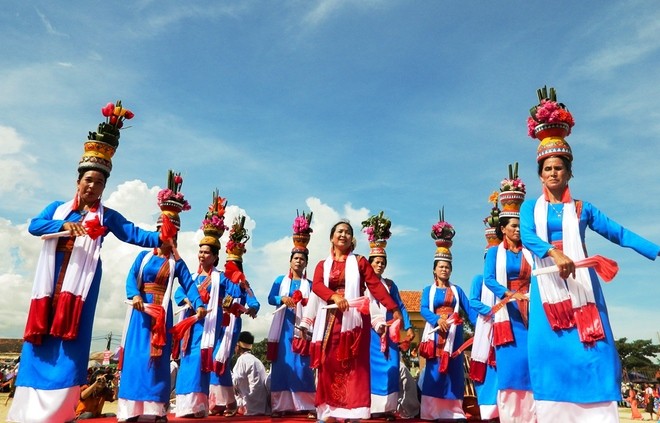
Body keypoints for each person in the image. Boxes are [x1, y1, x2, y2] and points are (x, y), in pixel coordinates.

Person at [7, 102, 165, 423]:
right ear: (78, 180)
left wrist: (163, 237)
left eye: (99, 182)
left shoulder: (106, 216)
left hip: (81, 288)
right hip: (49, 285)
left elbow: (133, 233)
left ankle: (60, 411)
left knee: (71, 343)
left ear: (104, 187)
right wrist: (65, 226)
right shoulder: (58, 208)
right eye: (88, 180)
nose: (92, 186)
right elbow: (36, 226)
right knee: (39, 340)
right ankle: (27, 411)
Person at [520, 87, 660, 422]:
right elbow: (527, 236)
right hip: (547, 289)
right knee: (548, 350)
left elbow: (620, 233)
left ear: (569, 172)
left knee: (594, 347)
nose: (554, 173)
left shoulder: (583, 209)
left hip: (582, 287)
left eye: (560, 168)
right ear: (540, 174)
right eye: (548, 168)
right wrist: (554, 254)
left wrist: (656, 249)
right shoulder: (529, 209)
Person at [116, 171, 207, 422]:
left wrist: (199, 305)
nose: (169, 238)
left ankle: (156, 411)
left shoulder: (177, 262)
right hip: (141, 315)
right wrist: (134, 295)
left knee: (157, 362)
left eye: (173, 235)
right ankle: (130, 411)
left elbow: (190, 286)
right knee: (136, 359)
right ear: (158, 232)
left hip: (162, 316)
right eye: (165, 233)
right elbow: (130, 279)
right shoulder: (143, 257)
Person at [306, 220, 403, 423]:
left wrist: (394, 308)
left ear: (352, 239)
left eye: (348, 232)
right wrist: (334, 297)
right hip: (331, 318)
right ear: (332, 237)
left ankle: (353, 412)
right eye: (340, 231)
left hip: (356, 321)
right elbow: (316, 285)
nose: (343, 235)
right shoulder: (322, 265)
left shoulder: (359, 262)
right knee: (329, 364)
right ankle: (328, 412)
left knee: (355, 366)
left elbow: (375, 286)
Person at [482, 165, 537, 422]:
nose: (517, 230)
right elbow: (489, 279)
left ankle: (533, 415)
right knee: (511, 367)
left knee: (532, 363)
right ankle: (511, 416)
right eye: (513, 226)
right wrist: (510, 295)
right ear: (503, 228)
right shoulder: (495, 253)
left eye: (520, 225)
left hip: (532, 310)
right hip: (508, 313)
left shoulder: (530, 251)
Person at [172, 190, 230, 418]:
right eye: (200, 251)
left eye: (207, 252)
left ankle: (198, 407)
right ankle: (186, 406)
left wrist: (246, 303)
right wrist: (188, 299)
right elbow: (178, 293)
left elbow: (237, 291)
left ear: (215, 257)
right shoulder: (192, 278)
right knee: (187, 362)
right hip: (190, 326)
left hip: (207, 328)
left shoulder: (220, 278)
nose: (202, 255)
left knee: (199, 362)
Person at [418, 212, 476, 421]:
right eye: (441, 266)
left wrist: (482, 325)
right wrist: (437, 320)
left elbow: (469, 310)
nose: (444, 269)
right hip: (436, 334)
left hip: (455, 335)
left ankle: (453, 411)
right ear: (434, 269)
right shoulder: (428, 290)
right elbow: (424, 309)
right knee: (434, 371)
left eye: (447, 267)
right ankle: (431, 411)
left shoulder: (458, 290)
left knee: (454, 371)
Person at [361, 211, 414, 421]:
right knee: (371, 370)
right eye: (377, 261)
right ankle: (370, 407)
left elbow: (399, 306)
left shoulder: (390, 285)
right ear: (370, 262)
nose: (380, 265)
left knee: (392, 368)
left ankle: (389, 408)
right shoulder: (363, 284)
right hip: (370, 334)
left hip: (390, 333)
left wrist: (407, 327)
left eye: (383, 262)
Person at [208, 214, 261, 417]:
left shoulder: (243, 283)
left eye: (236, 266)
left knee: (220, 360)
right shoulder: (219, 278)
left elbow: (254, 301)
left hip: (232, 324)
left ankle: (228, 402)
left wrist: (251, 309)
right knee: (212, 360)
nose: (233, 270)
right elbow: (209, 294)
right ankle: (215, 402)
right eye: (231, 265)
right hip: (216, 322)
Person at [267, 211, 316, 418]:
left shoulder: (310, 284)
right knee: (282, 366)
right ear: (290, 261)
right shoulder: (280, 281)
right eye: (295, 258)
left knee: (303, 366)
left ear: (306, 263)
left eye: (302, 259)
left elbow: (314, 305)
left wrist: (304, 302)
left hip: (300, 329)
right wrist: (282, 299)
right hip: (283, 329)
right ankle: (280, 406)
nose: (298, 262)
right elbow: (270, 298)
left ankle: (306, 406)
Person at [232, 331, 270, 416]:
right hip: (262, 405)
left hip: (249, 406)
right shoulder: (257, 360)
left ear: (238, 346)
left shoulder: (242, 359)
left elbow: (235, 381)